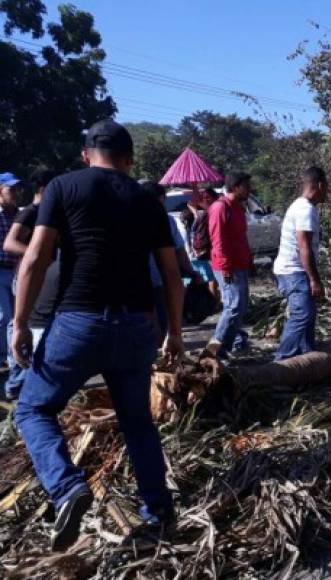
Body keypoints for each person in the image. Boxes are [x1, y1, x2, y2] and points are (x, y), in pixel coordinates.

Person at [12, 120, 184, 551]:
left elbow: (34, 259)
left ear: (86, 154)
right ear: (128, 159)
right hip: (136, 326)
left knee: (33, 409)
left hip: (78, 322)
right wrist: (175, 333)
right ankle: (159, 512)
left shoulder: (64, 187)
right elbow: (172, 274)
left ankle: (68, 487)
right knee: (138, 422)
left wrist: (19, 322)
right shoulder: (147, 200)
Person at [3, 167, 57, 399]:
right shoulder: (31, 213)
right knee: (18, 323)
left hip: (39, 278)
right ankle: (18, 380)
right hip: (20, 276)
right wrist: (38, 256)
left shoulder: (44, 212)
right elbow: (10, 244)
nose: (16, 192)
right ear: (45, 189)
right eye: (11, 189)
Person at [273, 167, 328, 360]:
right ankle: (281, 361)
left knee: (309, 313)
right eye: (326, 187)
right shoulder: (305, 209)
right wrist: (314, 280)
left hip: (293, 271)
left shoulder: (301, 206)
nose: (327, 192)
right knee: (302, 314)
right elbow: (304, 248)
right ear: (319, 185)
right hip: (293, 272)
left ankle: (307, 356)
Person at [140, 181, 199, 344]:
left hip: (150, 281)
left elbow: (179, 250)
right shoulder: (165, 221)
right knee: (158, 321)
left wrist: (189, 274)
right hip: (155, 281)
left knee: (155, 322)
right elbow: (179, 251)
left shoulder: (130, 220)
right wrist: (189, 273)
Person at [206, 172, 252, 358]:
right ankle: (216, 351)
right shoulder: (220, 208)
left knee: (240, 306)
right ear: (235, 187)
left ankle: (233, 344)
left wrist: (250, 261)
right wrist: (225, 267)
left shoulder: (238, 208)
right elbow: (218, 241)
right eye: (246, 186)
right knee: (233, 306)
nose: (249, 189)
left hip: (240, 265)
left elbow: (241, 238)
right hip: (228, 266)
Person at [182, 187, 220, 304]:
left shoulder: (202, 213)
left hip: (192, 253)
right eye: (202, 198)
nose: (204, 200)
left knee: (190, 278)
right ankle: (212, 302)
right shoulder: (197, 214)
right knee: (210, 278)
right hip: (197, 253)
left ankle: (186, 301)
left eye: (207, 198)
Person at [0, 172, 21, 369]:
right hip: (1, 270)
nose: (15, 193)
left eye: (17, 189)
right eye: (11, 189)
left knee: (16, 317)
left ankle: (10, 357)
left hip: (17, 270)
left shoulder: (19, 214)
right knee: (4, 315)